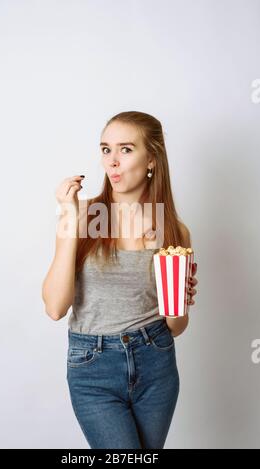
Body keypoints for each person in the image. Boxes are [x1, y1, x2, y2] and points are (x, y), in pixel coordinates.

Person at [42, 111, 198, 449]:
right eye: (105, 149)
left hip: (156, 361)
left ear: (151, 159)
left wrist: (178, 295)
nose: (112, 162)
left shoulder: (174, 230)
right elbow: (55, 307)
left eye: (126, 150)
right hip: (93, 367)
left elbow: (175, 325)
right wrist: (69, 220)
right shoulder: (82, 215)